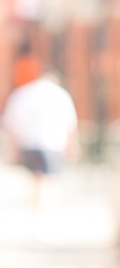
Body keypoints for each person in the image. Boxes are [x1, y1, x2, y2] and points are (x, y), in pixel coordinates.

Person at [1, 68, 78, 212]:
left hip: (28, 142)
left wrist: (13, 146)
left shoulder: (23, 94)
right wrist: (72, 147)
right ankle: (42, 209)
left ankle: (37, 207)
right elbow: (71, 124)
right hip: (52, 143)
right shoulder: (60, 95)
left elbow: (10, 123)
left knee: (37, 177)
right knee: (46, 178)